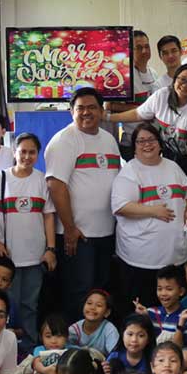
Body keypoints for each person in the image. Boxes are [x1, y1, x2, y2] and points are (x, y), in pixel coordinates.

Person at [44, 88, 121, 321]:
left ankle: (97, 342)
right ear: (71, 112)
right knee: (79, 292)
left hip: (106, 231)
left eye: (92, 107)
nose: (86, 113)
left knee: (100, 291)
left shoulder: (108, 139)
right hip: (77, 235)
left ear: (101, 110)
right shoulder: (64, 140)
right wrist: (69, 229)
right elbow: (56, 186)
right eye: (80, 108)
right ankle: (76, 344)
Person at [0, 132, 57, 350]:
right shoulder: (1, 178)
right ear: (14, 153)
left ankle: (30, 348)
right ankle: (4, 346)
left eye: (32, 152)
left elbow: (48, 216)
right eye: (22, 151)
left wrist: (50, 249)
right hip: (7, 257)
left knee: (30, 305)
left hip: (35, 256)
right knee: (7, 305)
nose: (27, 156)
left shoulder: (42, 180)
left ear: (38, 154)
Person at [112, 122, 187, 313]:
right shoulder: (130, 172)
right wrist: (153, 211)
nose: (147, 144)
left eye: (151, 139)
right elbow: (121, 207)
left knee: (172, 311)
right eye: (141, 141)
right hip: (141, 260)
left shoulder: (172, 167)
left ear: (159, 143)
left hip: (174, 255)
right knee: (143, 313)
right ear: (134, 146)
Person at [110, 63, 187, 177]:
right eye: (182, 79)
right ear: (174, 80)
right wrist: (108, 117)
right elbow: (138, 114)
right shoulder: (162, 95)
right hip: (166, 156)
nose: (185, 85)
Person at [109, 30, 161, 161]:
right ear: (130, 50)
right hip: (132, 141)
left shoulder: (153, 73)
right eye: (139, 47)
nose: (144, 51)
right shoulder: (123, 76)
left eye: (146, 46)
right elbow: (110, 105)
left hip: (154, 139)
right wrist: (145, 111)